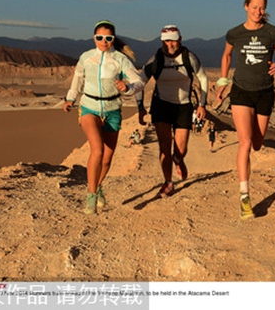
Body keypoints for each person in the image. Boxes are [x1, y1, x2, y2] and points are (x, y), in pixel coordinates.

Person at [216, 0, 275, 220]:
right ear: (246, 6)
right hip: (241, 92)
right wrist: (223, 80)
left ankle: (245, 191)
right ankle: (244, 197)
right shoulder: (235, 33)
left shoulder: (272, 32)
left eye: (262, 7)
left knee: (257, 143)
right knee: (245, 142)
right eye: (254, 7)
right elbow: (226, 55)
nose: (258, 11)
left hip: (265, 92)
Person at [64, 20, 144, 214]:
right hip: (89, 107)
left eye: (108, 38)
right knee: (97, 150)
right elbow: (78, 79)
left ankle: (98, 187)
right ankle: (91, 196)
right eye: (99, 37)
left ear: (113, 39)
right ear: (94, 38)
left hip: (112, 110)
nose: (103, 41)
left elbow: (138, 82)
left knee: (107, 159)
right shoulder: (86, 57)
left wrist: (128, 88)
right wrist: (70, 98)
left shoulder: (120, 59)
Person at [137, 25, 209, 198]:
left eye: (173, 40)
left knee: (181, 148)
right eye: (166, 40)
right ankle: (168, 182)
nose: (170, 44)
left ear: (180, 39)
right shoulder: (156, 59)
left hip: (183, 106)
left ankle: (178, 159)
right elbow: (140, 82)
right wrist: (140, 107)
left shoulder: (188, 57)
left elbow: (203, 78)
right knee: (164, 146)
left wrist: (202, 104)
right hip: (161, 105)